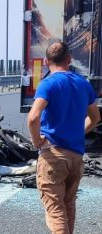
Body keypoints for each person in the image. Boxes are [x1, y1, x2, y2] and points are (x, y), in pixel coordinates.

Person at [27, 41, 100, 234]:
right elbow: (95, 117)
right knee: (68, 206)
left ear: (46, 61)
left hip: (53, 155)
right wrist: (77, 132)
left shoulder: (48, 84)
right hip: (76, 157)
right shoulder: (83, 84)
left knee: (55, 209)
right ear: (69, 59)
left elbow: (33, 117)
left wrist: (36, 141)